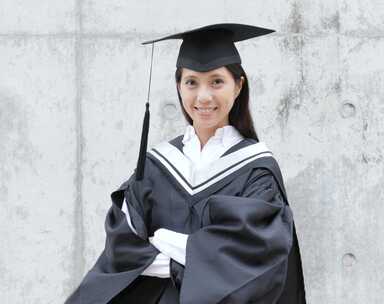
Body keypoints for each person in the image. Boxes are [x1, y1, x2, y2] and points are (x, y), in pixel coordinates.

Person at [65, 23, 307, 304]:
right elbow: (123, 245)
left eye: (217, 81)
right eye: (191, 82)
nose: (203, 97)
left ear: (239, 85)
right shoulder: (157, 165)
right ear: (179, 86)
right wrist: (197, 258)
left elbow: (259, 257)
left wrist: (171, 250)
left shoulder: (256, 172)